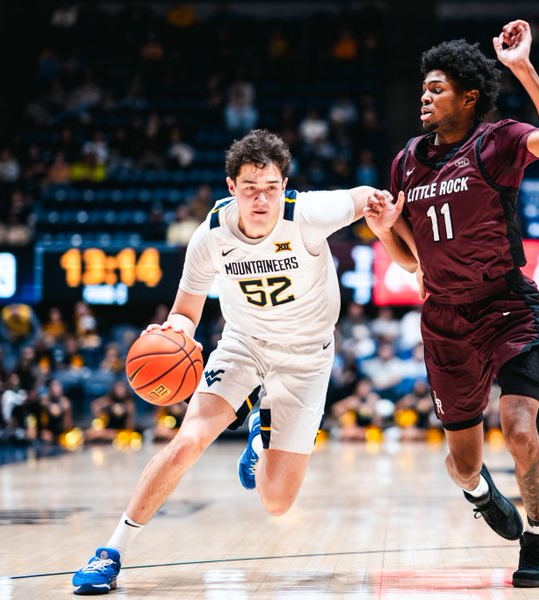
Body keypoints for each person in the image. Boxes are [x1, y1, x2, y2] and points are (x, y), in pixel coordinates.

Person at [72, 129, 383, 595]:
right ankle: (111, 552)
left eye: (271, 187)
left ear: (285, 186)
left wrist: (384, 211)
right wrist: (174, 332)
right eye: (251, 188)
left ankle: (260, 431)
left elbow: (364, 197)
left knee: (277, 503)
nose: (262, 199)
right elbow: (185, 311)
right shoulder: (210, 236)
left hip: (305, 359)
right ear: (231, 186)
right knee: (187, 442)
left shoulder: (307, 214)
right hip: (244, 345)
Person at [364, 20, 539, 588]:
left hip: (505, 305)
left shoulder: (497, 141)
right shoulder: (407, 161)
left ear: (468, 97)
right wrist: (385, 231)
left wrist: (522, 67)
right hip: (444, 319)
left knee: (519, 427)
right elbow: (411, 261)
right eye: (423, 89)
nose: (424, 97)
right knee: (462, 465)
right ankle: (481, 494)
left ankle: (538, 538)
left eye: (436, 89)